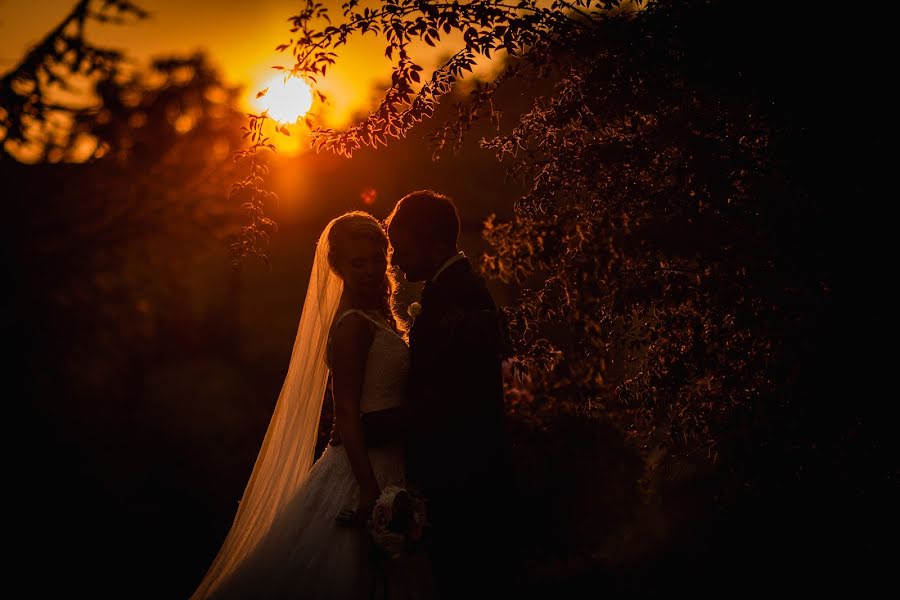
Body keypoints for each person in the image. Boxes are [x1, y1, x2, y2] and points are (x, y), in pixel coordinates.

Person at [191, 211, 431, 599]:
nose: (370, 269)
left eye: (376, 258)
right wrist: (368, 489)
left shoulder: (378, 317)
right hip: (363, 472)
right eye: (357, 262)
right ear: (337, 267)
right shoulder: (353, 325)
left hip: (394, 462)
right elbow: (347, 412)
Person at [352, 190, 514, 599]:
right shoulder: (453, 290)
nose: (393, 260)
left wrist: (366, 424)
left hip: (461, 480)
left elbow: (445, 404)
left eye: (401, 246)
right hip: (464, 474)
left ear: (436, 243)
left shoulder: (455, 299)